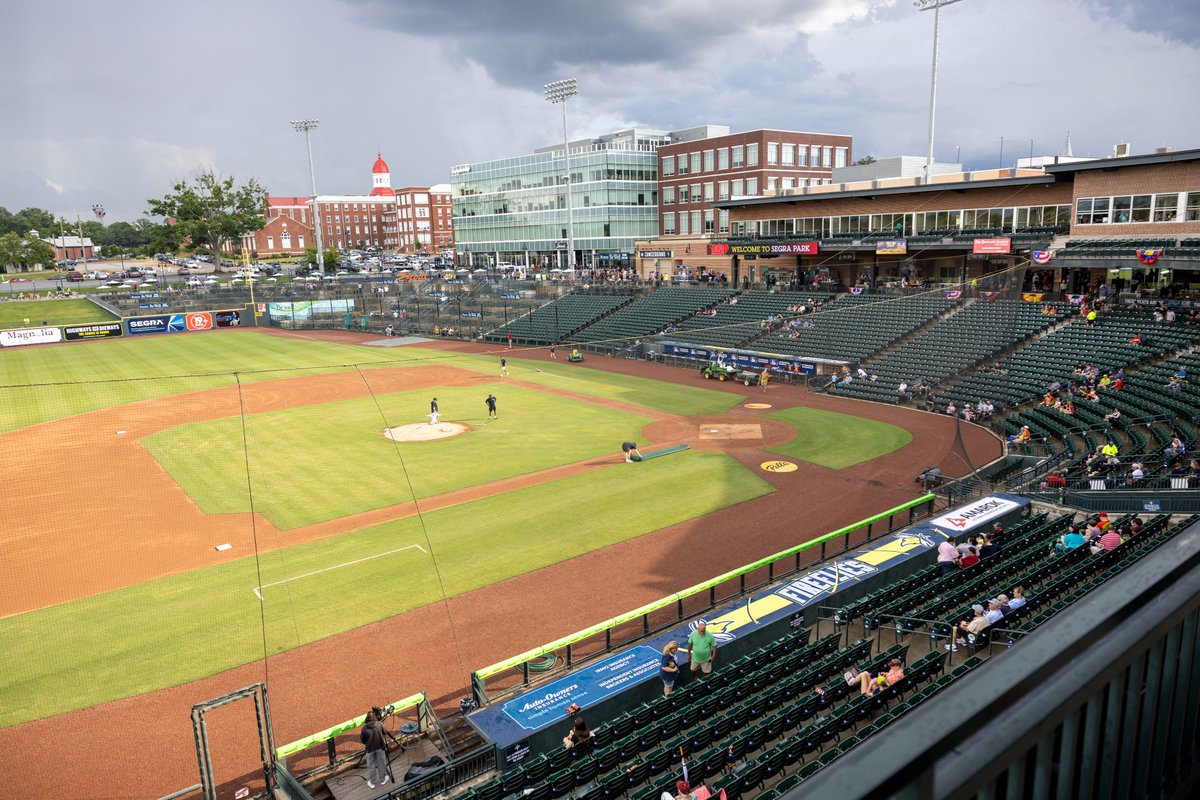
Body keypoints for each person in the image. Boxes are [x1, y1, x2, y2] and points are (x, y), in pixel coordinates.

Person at [360, 708, 390, 789]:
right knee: (381, 763)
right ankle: (383, 779)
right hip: (380, 747)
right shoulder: (379, 724)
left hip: (370, 749)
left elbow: (362, 741)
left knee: (371, 766)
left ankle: (372, 782)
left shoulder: (364, 728)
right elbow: (385, 732)